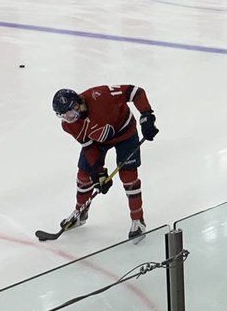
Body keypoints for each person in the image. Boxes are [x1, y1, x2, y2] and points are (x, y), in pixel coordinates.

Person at [51, 84, 158, 241]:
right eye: (64, 115)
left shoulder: (100, 95)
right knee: (84, 174)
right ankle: (80, 213)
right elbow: (88, 146)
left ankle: (138, 219)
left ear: (78, 102)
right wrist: (98, 171)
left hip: (125, 133)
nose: (69, 117)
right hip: (98, 142)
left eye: (71, 111)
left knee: (128, 175)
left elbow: (135, 92)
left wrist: (146, 115)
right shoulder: (69, 125)